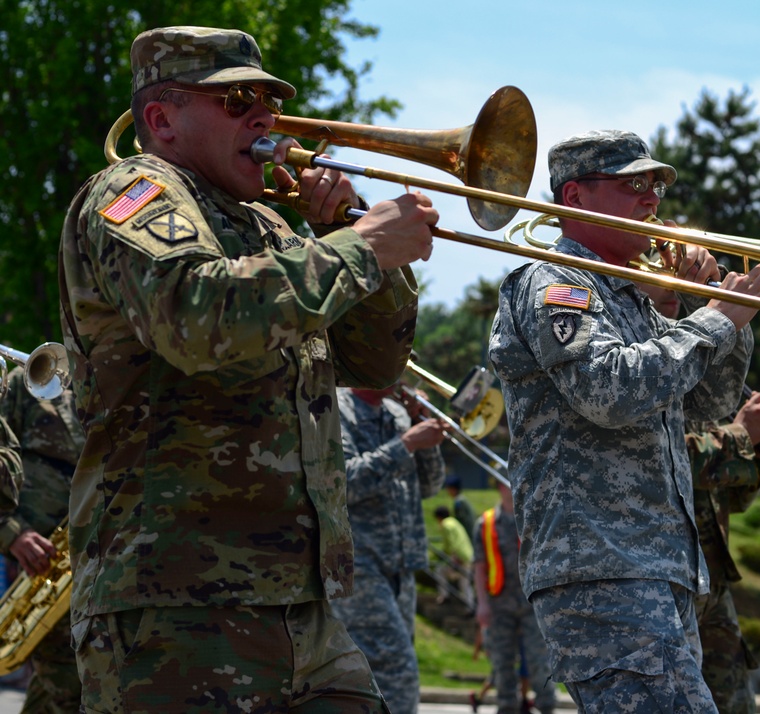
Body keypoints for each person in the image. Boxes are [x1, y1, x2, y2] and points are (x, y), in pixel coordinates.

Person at [57, 25, 438, 712]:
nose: (266, 119)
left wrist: (358, 246)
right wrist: (356, 250)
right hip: (174, 603)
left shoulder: (272, 228)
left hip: (300, 605)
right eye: (235, 103)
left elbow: (375, 362)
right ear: (161, 118)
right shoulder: (134, 190)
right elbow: (198, 315)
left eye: (267, 100)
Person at [487, 129, 760, 712]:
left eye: (655, 183)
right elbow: (608, 391)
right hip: (601, 567)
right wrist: (715, 322)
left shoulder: (633, 298)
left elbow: (707, 406)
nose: (653, 198)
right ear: (573, 198)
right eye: (634, 184)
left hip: (654, 569)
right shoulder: (554, 282)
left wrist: (724, 313)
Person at [643, 283, 760, 714]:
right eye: (665, 286)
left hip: (711, 580)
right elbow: (664, 459)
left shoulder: (702, 375)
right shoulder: (646, 367)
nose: (676, 292)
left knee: (735, 704)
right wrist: (740, 436)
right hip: (664, 577)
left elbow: (728, 499)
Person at [329, 385, 447, 714]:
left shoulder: (397, 414)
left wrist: (420, 429)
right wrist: (407, 443)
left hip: (402, 567)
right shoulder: (335, 407)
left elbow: (430, 485)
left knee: (379, 676)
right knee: (397, 669)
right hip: (360, 566)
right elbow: (343, 482)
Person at [0, 365, 85, 713]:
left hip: (90, 552)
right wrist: (11, 532)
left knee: (68, 680)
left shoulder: (99, 382)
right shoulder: (25, 382)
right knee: (68, 683)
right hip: (40, 557)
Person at [472, 479, 554, 714]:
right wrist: (482, 604)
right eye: (505, 483)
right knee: (502, 661)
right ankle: (507, 707)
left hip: (533, 603)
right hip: (499, 604)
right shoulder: (485, 523)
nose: (512, 487)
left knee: (540, 660)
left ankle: (546, 706)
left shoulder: (533, 518)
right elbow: (479, 566)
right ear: (498, 486)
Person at [432, 504, 474, 605]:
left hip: (459, 557)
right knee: (465, 583)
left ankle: (444, 595)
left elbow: (451, 544)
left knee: (439, 571)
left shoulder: (446, 525)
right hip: (468, 555)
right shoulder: (454, 522)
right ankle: (470, 605)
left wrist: (442, 555)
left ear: (438, 517)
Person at [445, 474, 477, 541]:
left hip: (468, 536)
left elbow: (460, 520)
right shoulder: (462, 499)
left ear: (453, 489)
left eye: (448, 488)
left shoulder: (458, 502)